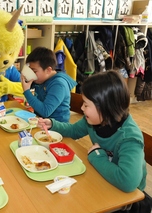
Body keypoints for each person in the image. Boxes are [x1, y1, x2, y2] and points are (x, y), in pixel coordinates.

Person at [38, 70, 151, 213]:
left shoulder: (129, 138)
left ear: (104, 107)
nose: (81, 108)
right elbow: (73, 131)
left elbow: (128, 182)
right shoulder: (93, 120)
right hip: (101, 178)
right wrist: (53, 125)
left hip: (127, 200)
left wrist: (97, 157)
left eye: (86, 105)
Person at [20, 47, 77, 122]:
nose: (32, 74)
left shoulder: (59, 84)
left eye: (34, 71)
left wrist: (27, 91)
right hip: (41, 121)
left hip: (57, 128)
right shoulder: (41, 79)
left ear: (48, 70)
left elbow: (45, 111)